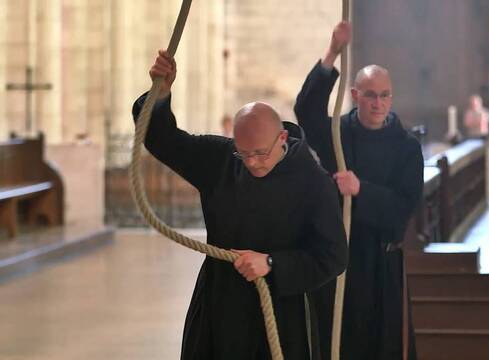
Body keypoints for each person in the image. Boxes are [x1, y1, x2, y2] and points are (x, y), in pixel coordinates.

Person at [133, 50, 348, 360]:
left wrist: (272, 263)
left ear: (282, 138)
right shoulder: (222, 159)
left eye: (260, 154)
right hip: (219, 302)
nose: (251, 163)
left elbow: (333, 256)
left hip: (280, 307)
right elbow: (165, 141)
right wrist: (161, 94)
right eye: (243, 153)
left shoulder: (312, 180)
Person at [294, 21, 424, 360]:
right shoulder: (338, 133)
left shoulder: (406, 147)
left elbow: (403, 208)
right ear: (355, 96)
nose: (377, 104)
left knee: (382, 345)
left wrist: (360, 190)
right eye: (369, 95)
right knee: (337, 341)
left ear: (391, 97)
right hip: (339, 256)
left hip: (380, 263)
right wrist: (333, 51)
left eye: (384, 96)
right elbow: (306, 110)